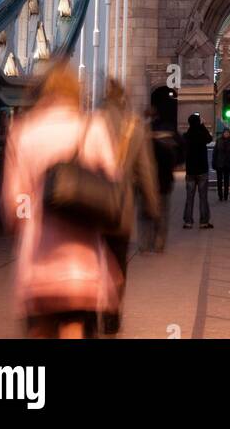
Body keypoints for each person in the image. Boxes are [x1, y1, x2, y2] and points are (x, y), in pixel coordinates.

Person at [1, 62, 121, 339]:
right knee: (74, 327)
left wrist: (30, 221)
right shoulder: (93, 129)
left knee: (40, 331)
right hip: (83, 264)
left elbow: (14, 205)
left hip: (39, 262)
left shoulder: (24, 132)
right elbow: (113, 187)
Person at [100, 79, 160, 331]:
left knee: (92, 259)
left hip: (87, 205)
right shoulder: (133, 126)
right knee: (117, 260)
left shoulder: (90, 122)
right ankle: (112, 316)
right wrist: (152, 204)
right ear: (123, 98)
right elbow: (145, 170)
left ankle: (89, 312)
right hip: (119, 207)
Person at [144, 110, 180, 253]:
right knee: (163, 212)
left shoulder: (146, 144)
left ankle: (145, 243)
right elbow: (175, 159)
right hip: (164, 182)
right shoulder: (168, 145)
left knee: (145, 213)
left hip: (148, 182)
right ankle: (159, 242)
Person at [181, 112, 213, 229]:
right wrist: (203, 125)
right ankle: (204, 222)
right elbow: (210, 139)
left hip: (190, 171)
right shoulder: (201, 135)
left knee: (189, 198)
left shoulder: (186, 136)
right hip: (202, 170)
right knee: (203, 197)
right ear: (198, 123)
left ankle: (188, 222)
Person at [212, 128, 230, 201]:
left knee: (226, 181)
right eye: (225, 132)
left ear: (229, 134)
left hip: (227, 164)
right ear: (223, 133)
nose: (226, 134)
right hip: (219, 163)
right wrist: (214, 162)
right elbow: (215, 152)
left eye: (227, 133)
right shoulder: (218, 141)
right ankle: (220, 196)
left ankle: (225, 196)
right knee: (219, 181)